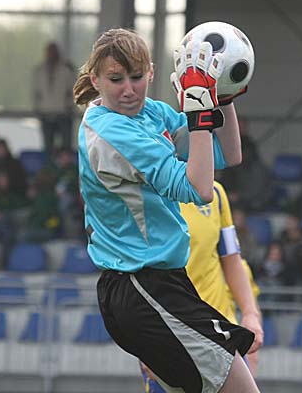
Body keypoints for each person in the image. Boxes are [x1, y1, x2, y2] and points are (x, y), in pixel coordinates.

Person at [74, 28, 259, 392]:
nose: (129, 89)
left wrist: (221, 94)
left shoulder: (151, 113)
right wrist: (200, 110)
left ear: (152, 72)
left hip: (161, 286)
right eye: (115, 79)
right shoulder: (111, 133)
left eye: (136, 77)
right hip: (142, 288)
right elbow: (200, 189)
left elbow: (228, 154)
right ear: (95, 80)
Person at [140, 181, 264, 392]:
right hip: (170, 337)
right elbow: (135, 274)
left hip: (221, 334)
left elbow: (232, 260)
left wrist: (250, 314)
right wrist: (144, 338)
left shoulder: (216, 193)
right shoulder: (145, 193)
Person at [32, 41, 77, 156]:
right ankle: (50, 166)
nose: (51, 55)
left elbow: (73, 90)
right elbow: (36, 93)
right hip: (46, 112)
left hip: (63, 113)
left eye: (53, 52)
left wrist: (69, 106)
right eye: (49, 52)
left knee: (66, 148)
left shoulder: (67, 69)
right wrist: (38, 109)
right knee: (48, 147)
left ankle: (67, 166)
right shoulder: (40, 70)